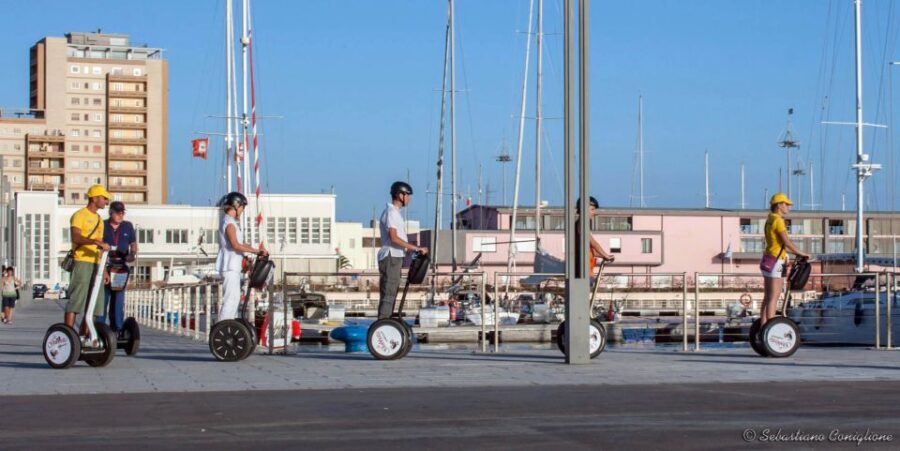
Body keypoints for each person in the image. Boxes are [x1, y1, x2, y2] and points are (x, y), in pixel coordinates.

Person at [377, 181, 428, 319]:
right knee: (389, 292)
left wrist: (410, 250)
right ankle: (383, 324)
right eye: (408, 195)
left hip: (395, 256)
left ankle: (387, 322)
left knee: (391, 292)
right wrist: (415, 248)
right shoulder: (391, 212)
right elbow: (394, 238)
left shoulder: (395, 213)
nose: (409, 199)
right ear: (400, 195)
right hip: (390, 256)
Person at [759, 193, 810, 328]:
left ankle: (763, 327)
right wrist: (802, 253)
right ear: (779, 205)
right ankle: (770, 329)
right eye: (786, 204)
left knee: (767, 297)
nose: (788, 207)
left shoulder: (769, 219)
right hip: (776, 261)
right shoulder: (778, 221)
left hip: (768, 260)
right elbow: (786, 242)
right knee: (774, 297)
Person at [66, 185, 112, 331]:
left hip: (96, 264)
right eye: (104, 198)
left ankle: (85, 337)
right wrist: (94, 242)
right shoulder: (80, 215)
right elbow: (76, 237)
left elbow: (100, 247)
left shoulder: (99, 220)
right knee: (76, 301)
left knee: (94, 303)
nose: (106, 201)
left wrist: (104, 270)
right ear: (94, 198)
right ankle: (68, 335)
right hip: (82, 262)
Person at [216, 192, 267, 323]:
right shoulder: (229, 223)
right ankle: (222, 328)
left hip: (233, 267)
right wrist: (256, 251)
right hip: (230, 267)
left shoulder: (230, 222)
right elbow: (235, 244)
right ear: (236, 205)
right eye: (242, 207)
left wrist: (247, 255)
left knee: (233, 300)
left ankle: (227, 327)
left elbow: (240, 245)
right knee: (230, 300)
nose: (243, 211)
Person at [99, 201, 138, 335]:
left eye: (122, 212)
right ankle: (100, 328)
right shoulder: (102, 225)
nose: (121, 215)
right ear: (111, 212)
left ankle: (118, 328)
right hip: (106, 265)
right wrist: (103, 271)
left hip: (121, 266)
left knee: (118, 299)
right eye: (118, 212)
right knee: (103, 299)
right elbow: (98, 246)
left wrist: (132, 254)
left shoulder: (127, 226)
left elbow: (133, 244)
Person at [576, 196, 615, 276]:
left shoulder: (582, 223)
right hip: (582, 271)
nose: (594, 213)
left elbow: (590, 250)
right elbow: (593, 243)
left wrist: (603, 256)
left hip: (587, 270)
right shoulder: (582, 224)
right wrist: (606, 255)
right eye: (592, 209)